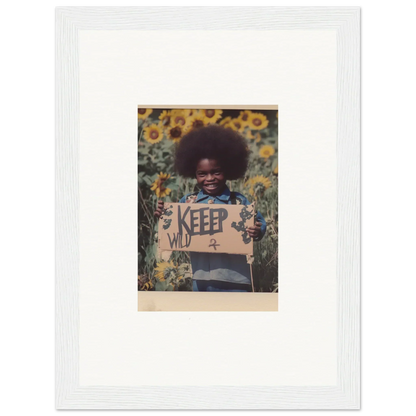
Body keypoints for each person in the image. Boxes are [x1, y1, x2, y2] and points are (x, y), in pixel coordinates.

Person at [154, 124, 267, 292]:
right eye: (202, 174)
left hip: (236, 279)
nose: (210, 178)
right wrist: (164, 215)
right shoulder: (188, 202)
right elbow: (174, 225)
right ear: (194, 174)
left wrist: (257, 231)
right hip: (201, 279)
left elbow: (259, 224)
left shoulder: (238, 201)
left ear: (228, 170)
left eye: (216, 172)